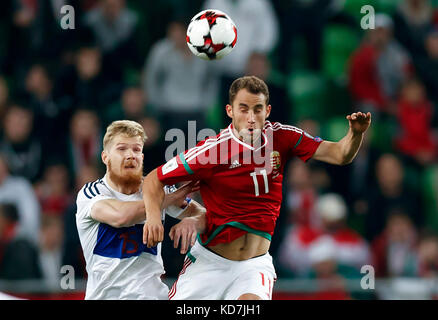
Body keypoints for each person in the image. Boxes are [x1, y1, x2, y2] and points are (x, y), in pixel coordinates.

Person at [141, 75, 371, 300]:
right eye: (243, 109)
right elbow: (154, 179)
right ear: (230, 111)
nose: (251, 117)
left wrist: (355, 134)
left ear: (267, 111)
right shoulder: (212, 150)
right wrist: (152, 217)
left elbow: (340, 154)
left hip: (254, 265)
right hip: (211, 263)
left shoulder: (284, 136)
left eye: (257, 109)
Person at [76, 120, 206, 300]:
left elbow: (203, 214)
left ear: (142, 157)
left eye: (136, 150)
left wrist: (193, 220)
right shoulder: (91, 193)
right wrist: (166, 200)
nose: (130, 155)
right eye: (122, 149)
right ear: (105, 157)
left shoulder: (157, 191)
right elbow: (121, 216)